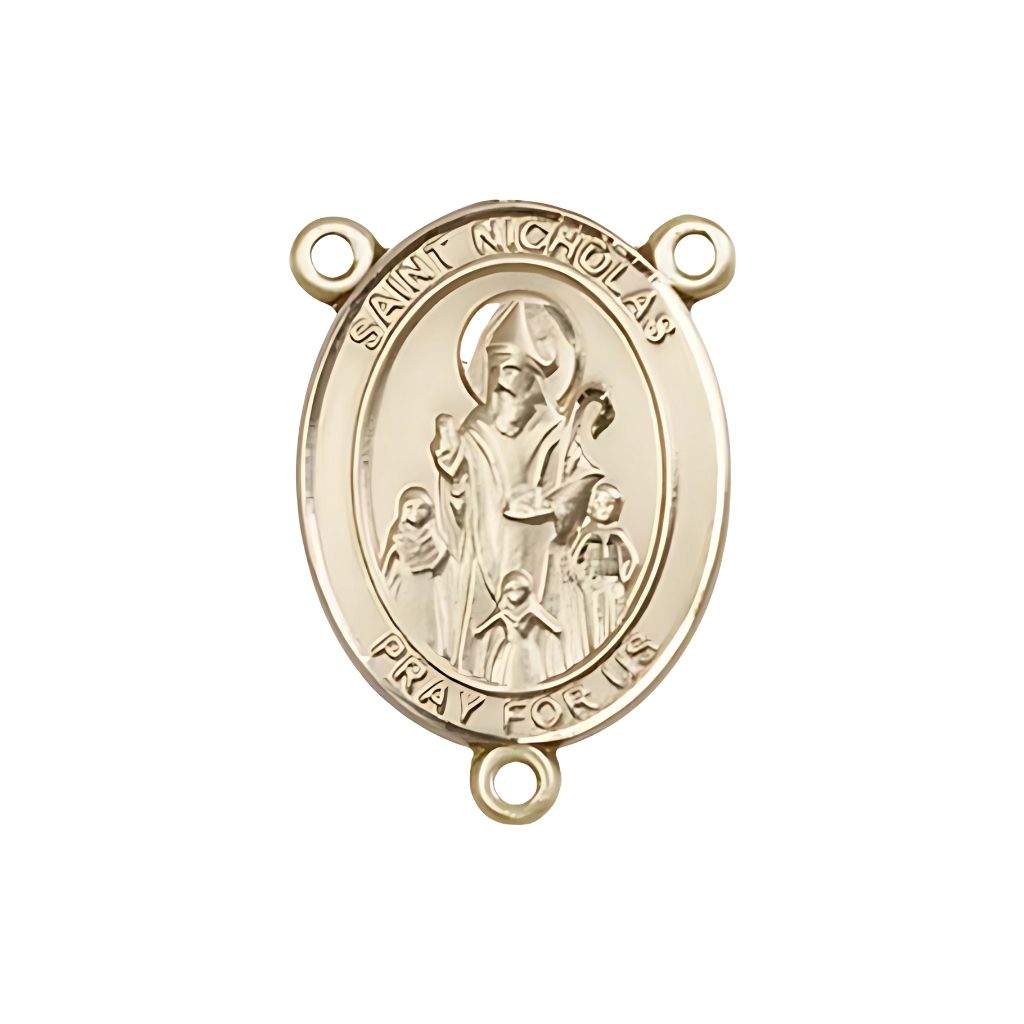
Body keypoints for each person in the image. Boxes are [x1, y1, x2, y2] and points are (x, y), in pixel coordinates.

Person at [432, 296, 601, 678]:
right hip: (486, 554)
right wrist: (453, 470)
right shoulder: (477, 429)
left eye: (510, 369)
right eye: (494, 369)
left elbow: (584, 481)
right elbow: (461, 501)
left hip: (544, 556)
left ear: (534, 376)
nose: (500, 381)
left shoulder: (557, 431)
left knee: (549, 644)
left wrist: (550, 503)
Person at [379, 486, 453, 658]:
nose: (415, 512)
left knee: (432, 634)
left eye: (421, 507)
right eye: (410, 507)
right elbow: (386, 576)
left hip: (430, 597)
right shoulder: (397, 543)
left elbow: (445, 556)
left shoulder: (436, 537)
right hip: (406, 595)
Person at [571, 483, 639, 648]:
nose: (598, 506)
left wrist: (623, 578)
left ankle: (609, 643)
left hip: (611, 586)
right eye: (596, 500)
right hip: (590, 587)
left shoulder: (617, 534)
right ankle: (594, 646)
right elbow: (574, 559)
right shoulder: (586, 534)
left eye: (605, 503)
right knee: (592, 620)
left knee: (611, 618)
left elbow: (632, 559)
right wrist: (582, 579)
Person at [472, 571, 565, 687]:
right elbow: (479, 631)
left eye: (519, 588)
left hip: (529, 652)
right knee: (510, 679)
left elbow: (556, 628)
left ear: (527, 590)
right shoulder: (504, 614)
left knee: (531, 681)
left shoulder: (531, 612)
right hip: (510, 652)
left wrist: (537, 611)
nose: (515, 591)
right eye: (510, 589)